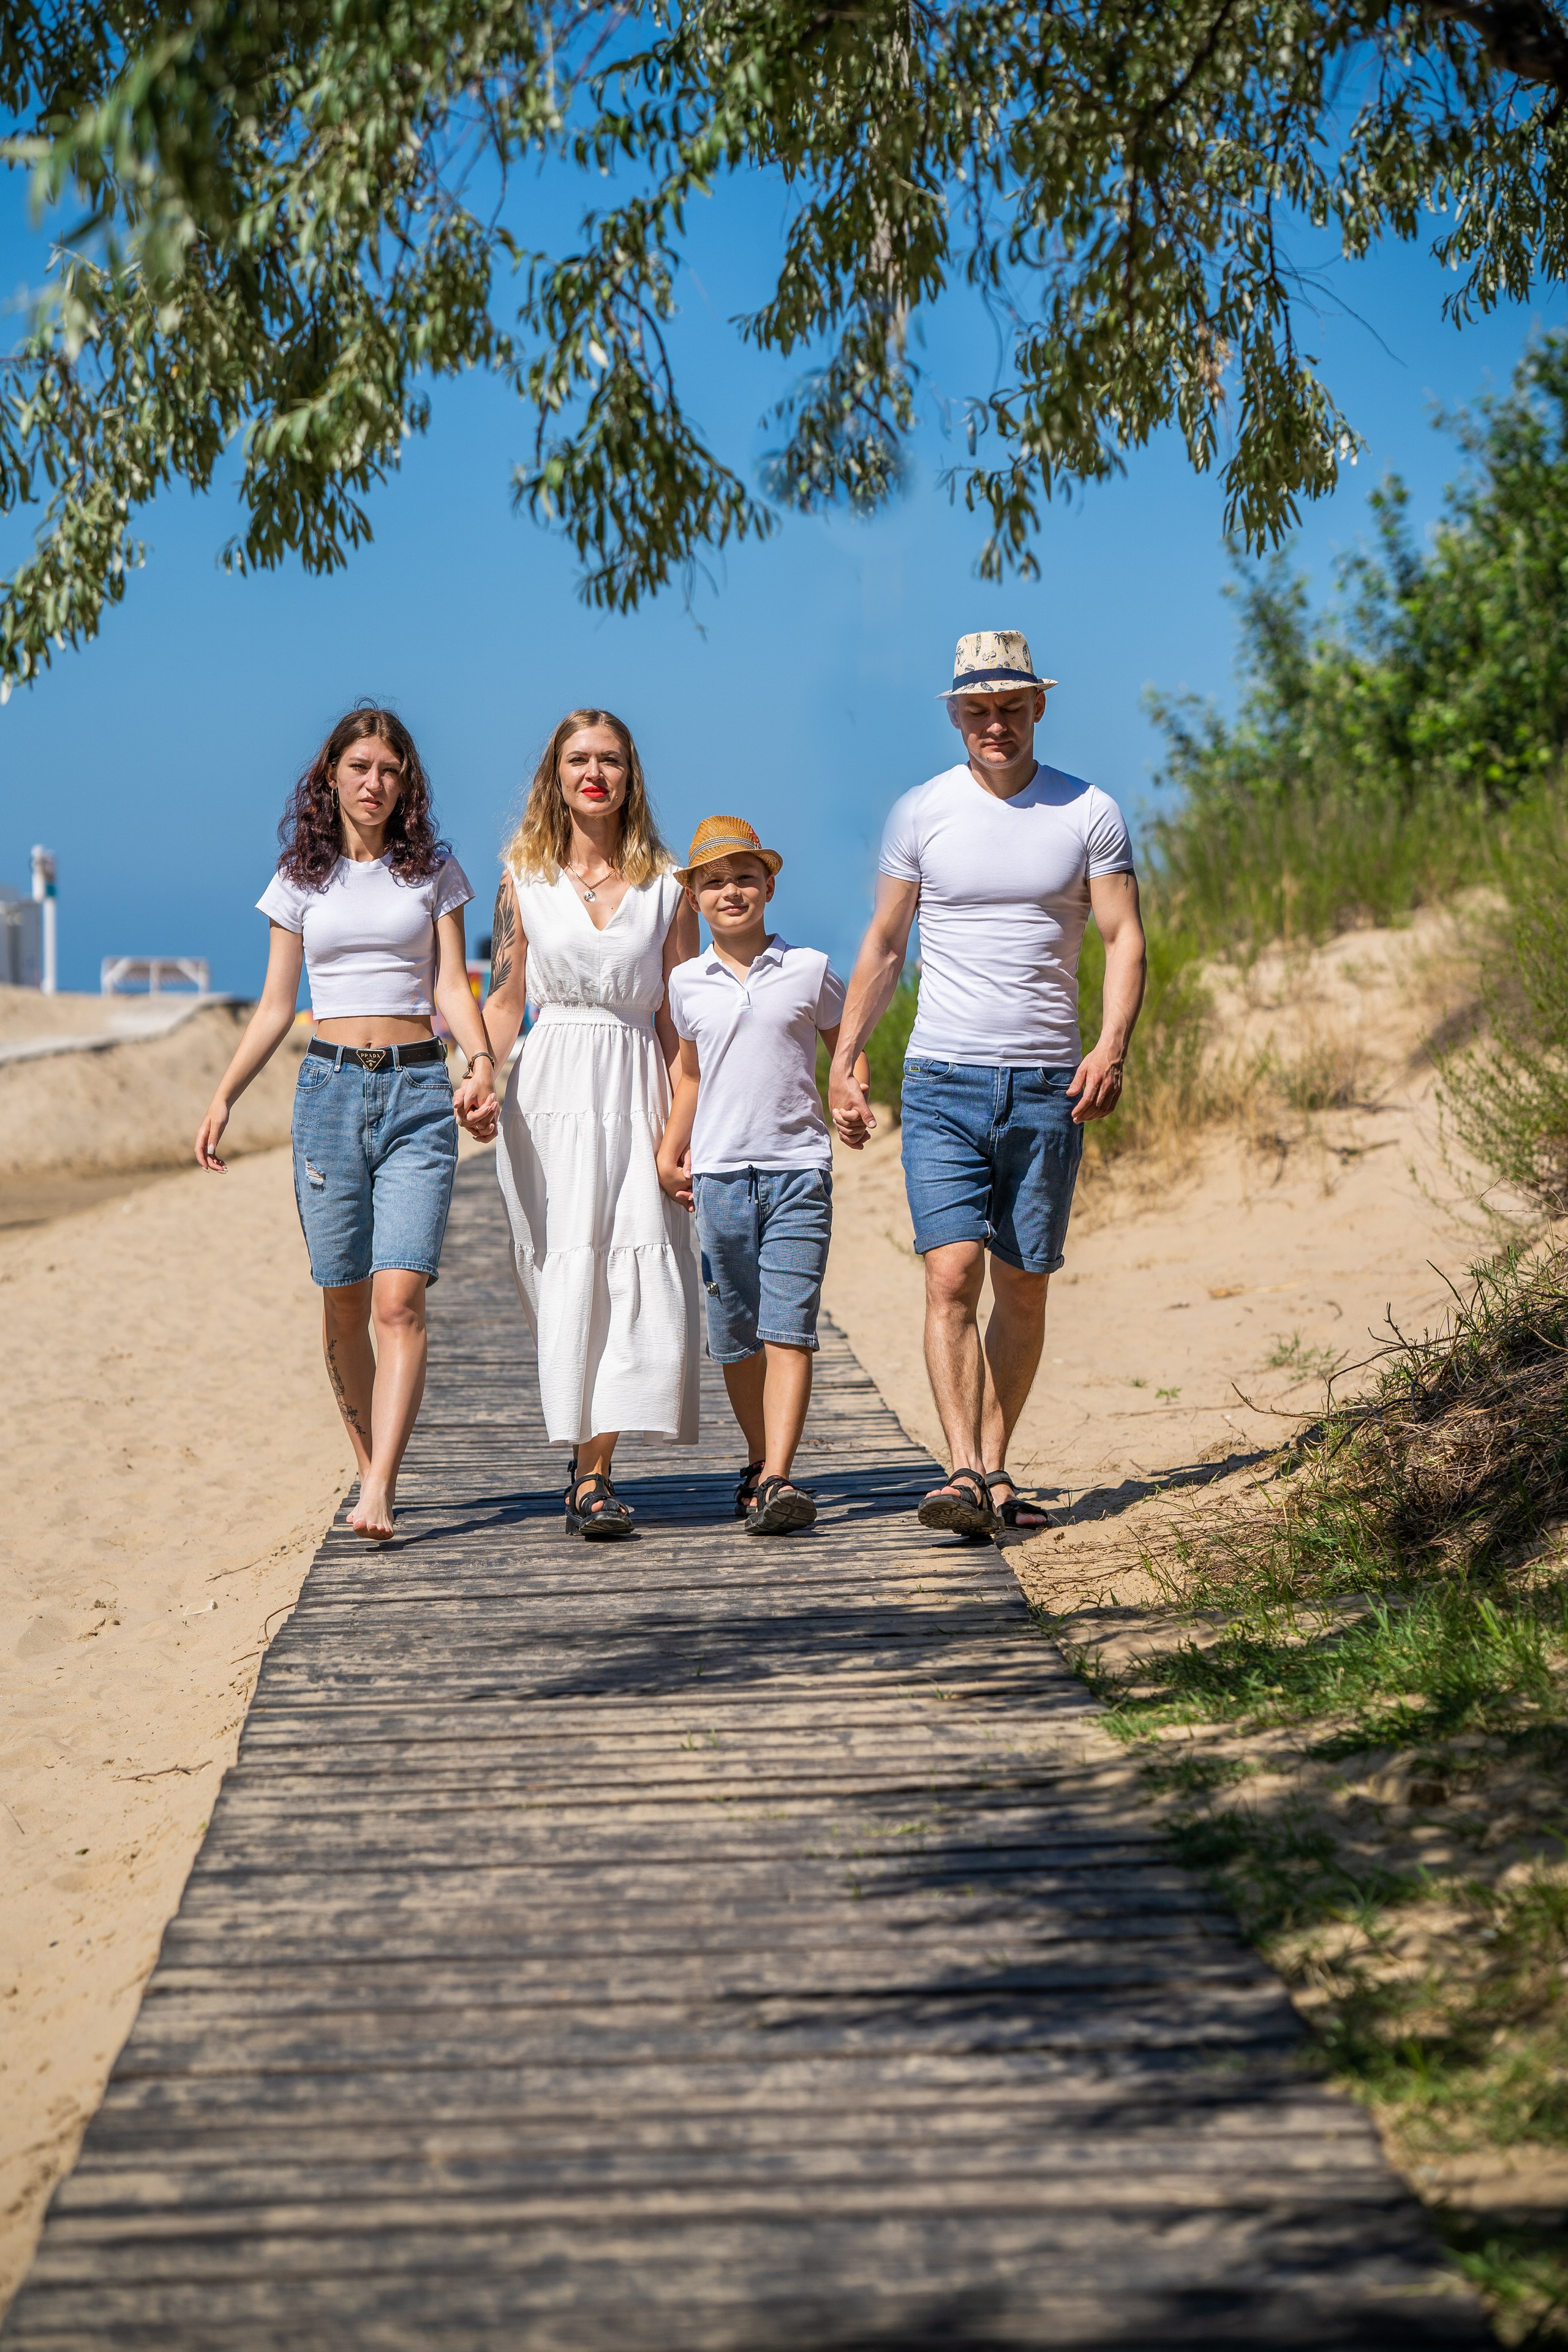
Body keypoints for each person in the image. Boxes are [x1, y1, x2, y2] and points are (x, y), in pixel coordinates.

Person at [828, 631, 1147, 1537]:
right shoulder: (921, 812)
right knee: (952, 1276)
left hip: (1050, 1081)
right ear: (955, 716)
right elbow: (887, 945)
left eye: (1011, 707)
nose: (995, 724)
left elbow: (1124, 937)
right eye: (978, 710)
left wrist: (1111, 1045)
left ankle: (993, 1470)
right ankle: (964, 1471)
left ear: (1039, 706)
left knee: (1025, 1284)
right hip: (941, 1079)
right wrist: (846, 1057)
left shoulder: (1089, 811)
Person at [195, 706, 499, 1540]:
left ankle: (381, 1488)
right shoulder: (299, 879)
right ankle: (368, 1467)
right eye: (360, 766)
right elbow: (273, 1006)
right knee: (343, 1302)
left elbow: (448, 988)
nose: (374, 782)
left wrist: (479, 1061)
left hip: (416, 1094)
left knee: (399, 1299)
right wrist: (225, 1095)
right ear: (330, 775)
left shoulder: (434, 870)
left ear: (407, 784)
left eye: (390, 770)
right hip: (327, 1093)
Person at [478, 708, 701, 1539]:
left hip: (638, 1079)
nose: (594, 773)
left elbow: (684, 1021)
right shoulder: (520, 878)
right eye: (578, 760)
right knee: (564, 1271)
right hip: (551, 1092)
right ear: (556, 775)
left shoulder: (669, 887)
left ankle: (593, 1474)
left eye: (609, 759)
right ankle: (582, 1456)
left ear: (630, 774)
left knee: (630, 1270)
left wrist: (682, 1129)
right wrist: (479, 1071)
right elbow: (504, 1003)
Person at [656, 818, 869, 1536]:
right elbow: (688, 1073)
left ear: (770, 886)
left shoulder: (809, 967)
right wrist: (669, 1148)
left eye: (745, 877)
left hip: (797, 1169)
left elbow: (847, 1047)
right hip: (717, 1175)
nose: (731, 891)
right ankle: (756, 1461)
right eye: (713, 882)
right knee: (737, 1333)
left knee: (789, 1327)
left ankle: (779, 1474)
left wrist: (850, 1094)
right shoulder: (686, 983)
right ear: (694, 898)